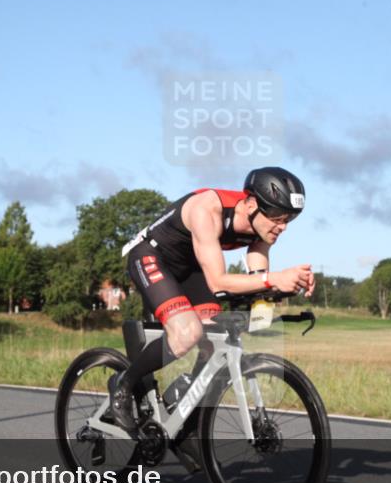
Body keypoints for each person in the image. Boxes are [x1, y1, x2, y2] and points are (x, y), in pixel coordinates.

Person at [109, 167, 316, 432]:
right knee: (187, 333)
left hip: (192, 267)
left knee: (217, 334)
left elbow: (259, 282)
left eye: (289, 219)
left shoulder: (263, 229)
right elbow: (219, 282)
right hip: (152, 257)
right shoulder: (206, 209)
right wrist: (275, 279)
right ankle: (124, 384)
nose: (283, 227)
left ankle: (182, 398)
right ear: (251, 204)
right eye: (278, 217)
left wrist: (289, 287)